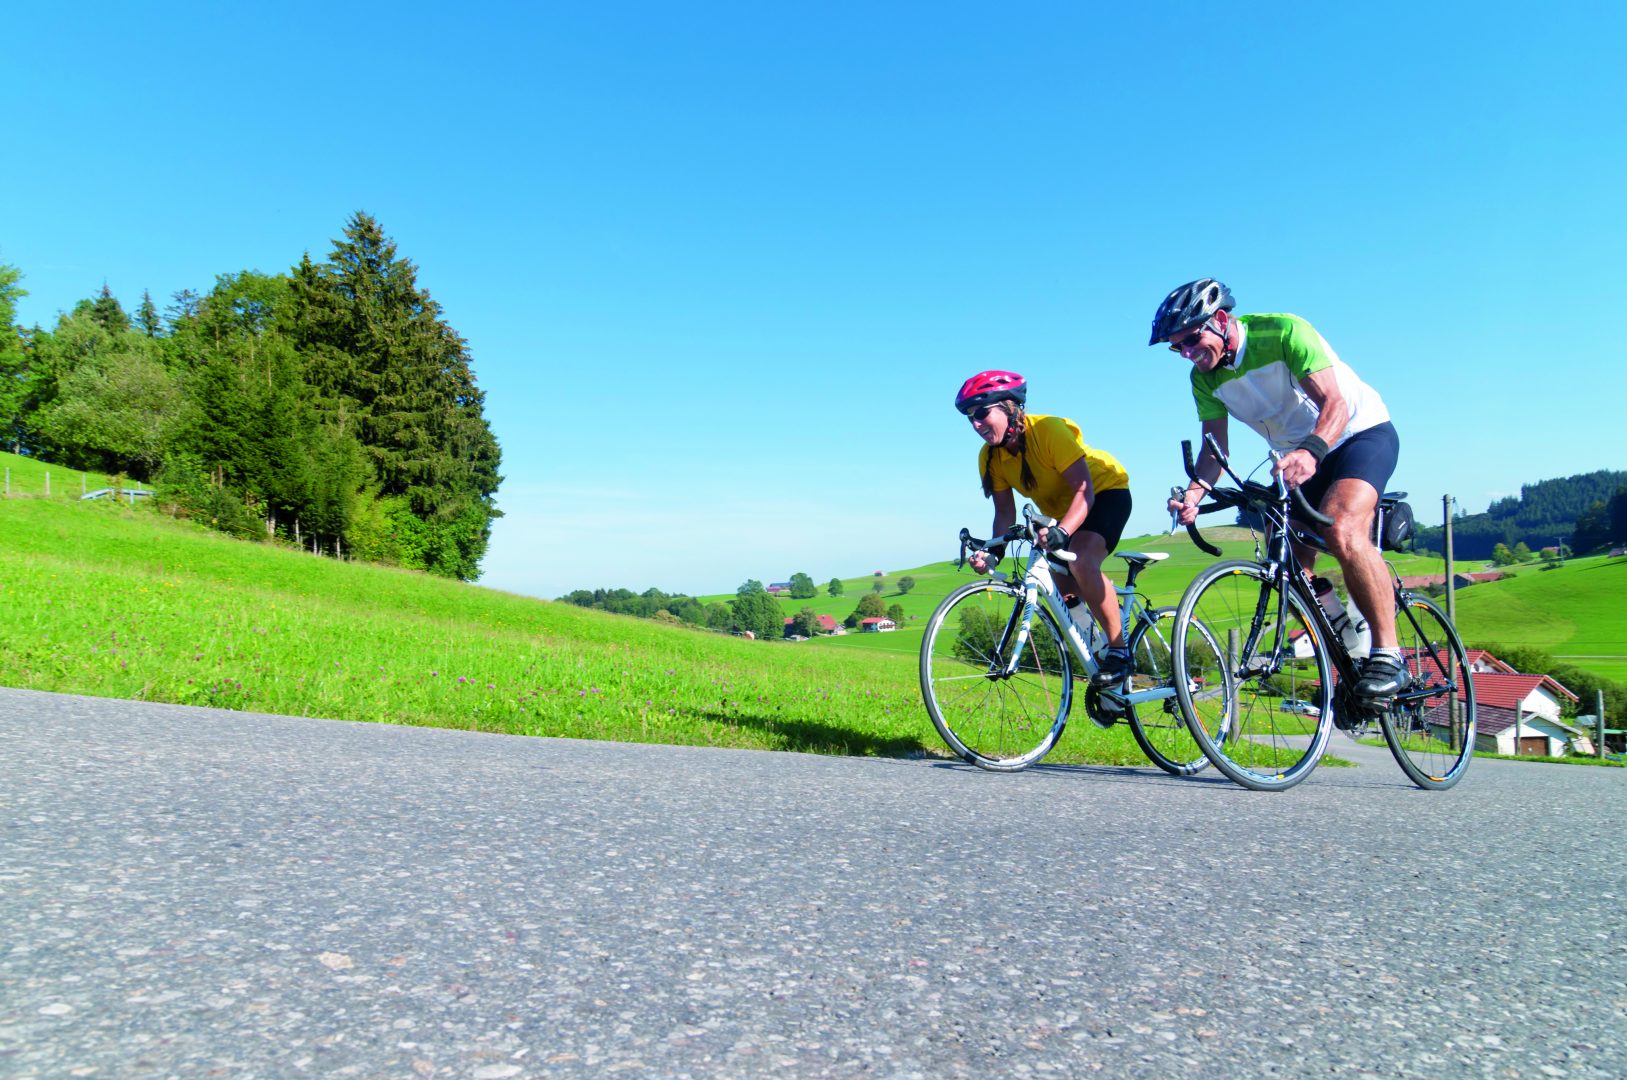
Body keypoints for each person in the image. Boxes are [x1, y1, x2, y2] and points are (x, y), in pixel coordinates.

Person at [1152, 278, 1407, 698]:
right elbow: (1214, 450)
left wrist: (1310, 451)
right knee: (1288, 563)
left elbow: (1336, 404)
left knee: (1342, 530)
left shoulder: (1284, 332)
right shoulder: (1203, 380)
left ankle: (1388, 655)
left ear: (1220, 320)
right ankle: (1348, 647)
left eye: (1192, 340)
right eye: (1176, 348)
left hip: (1357, 435)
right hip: (1296, 458)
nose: (1187, 354)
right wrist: (1195, 494)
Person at [954, 370, 1135, 693]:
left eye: (982, 413)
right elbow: (1004, 513)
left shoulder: (1048, 431)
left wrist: (1063, 531)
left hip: (1104, 494)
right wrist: (993, 552)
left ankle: (1120, 649)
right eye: (970, 418)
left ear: (1009, 407)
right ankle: (1096, 643)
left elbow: (1084, 492)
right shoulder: (991, 457)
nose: (976, 424)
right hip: (1062, 512)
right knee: (1056, 579)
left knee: (1080, 561)